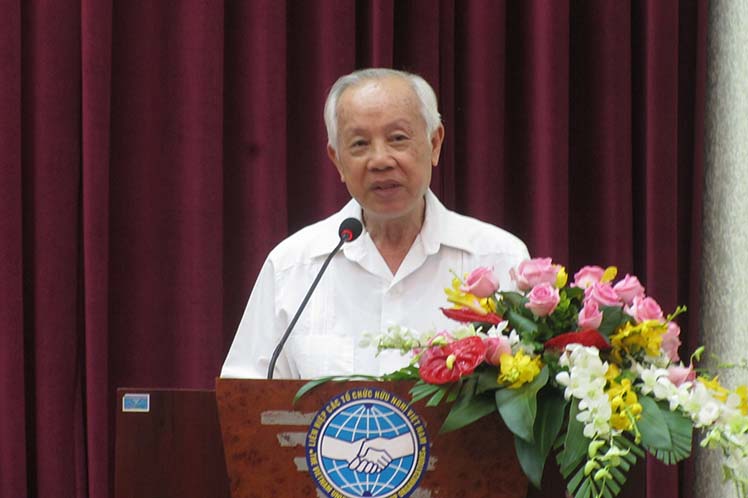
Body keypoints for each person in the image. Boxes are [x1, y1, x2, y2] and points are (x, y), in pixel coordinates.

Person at [221, 68, 529, 379]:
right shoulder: (293, 266)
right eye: (359, 144)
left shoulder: (499, 259)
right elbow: (245, 402)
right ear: (337, 160)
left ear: (434, 144)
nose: (380, 160)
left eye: (397, 139)